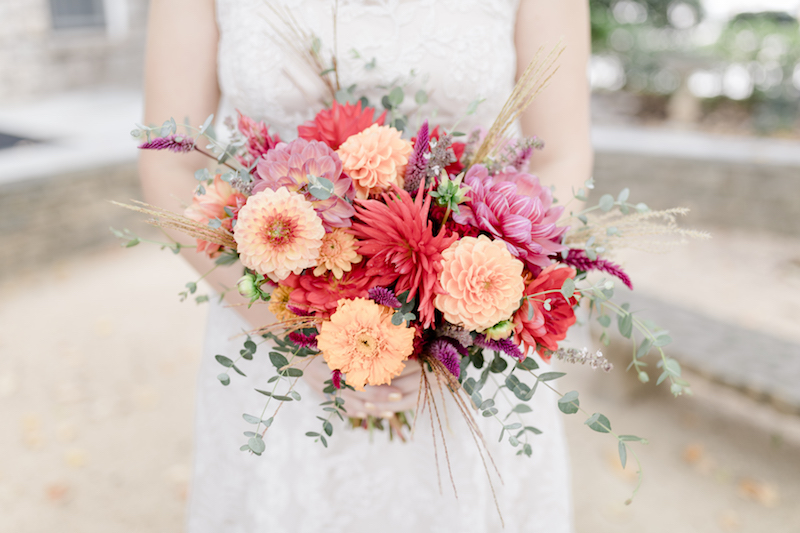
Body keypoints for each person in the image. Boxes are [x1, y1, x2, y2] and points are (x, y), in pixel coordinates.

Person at [139, 1, 592, 531]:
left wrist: (464, 306)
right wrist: (287, 328)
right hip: (271, 333)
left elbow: (561, 152)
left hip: (469, 342)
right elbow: (169, 163)